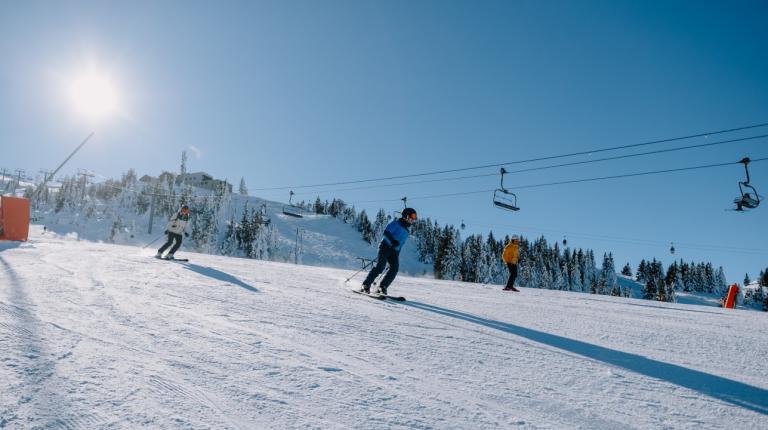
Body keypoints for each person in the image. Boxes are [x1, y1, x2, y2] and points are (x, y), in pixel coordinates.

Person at [361, 208, 417, 295]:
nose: (413, 219)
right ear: (406, 216)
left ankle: (382, 287)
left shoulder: (406, 231)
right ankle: (365, 284)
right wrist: (392, 241)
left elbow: (401, 244)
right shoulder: (396, 223)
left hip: (394, 252)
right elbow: (386, 232)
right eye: (412, 217)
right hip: (385, 246)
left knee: (394, 269)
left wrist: (397, 252)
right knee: (380, 267)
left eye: (414, 217)